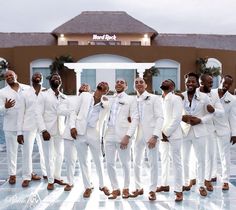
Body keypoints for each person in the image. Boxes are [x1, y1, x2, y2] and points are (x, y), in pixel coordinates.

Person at [67, 82, 111, 197]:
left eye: (105, 85)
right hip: (79, 133)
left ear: (106, 91)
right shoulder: (84, 96)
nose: (102, 84)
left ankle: (102, 185)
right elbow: (73, 112)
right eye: (101, 83)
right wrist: (72, 126)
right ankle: (88, 186)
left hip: (94, 134)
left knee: (98, 160)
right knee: (83, 161)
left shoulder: (106, 103)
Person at [104, 78, 139, 199]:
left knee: (125, 163)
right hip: (108, 134)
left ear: (126, 86)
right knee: (109, 163)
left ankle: (126, 188)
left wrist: (128, 136)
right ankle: (115, 189)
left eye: (122, 82)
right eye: (117, 82)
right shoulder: (109, 99)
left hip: (123, 135)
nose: (119, 83)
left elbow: (135, 118)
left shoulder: (131, 99)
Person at [181, 72, 214, 197]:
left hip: (200, 132)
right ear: (185, 82)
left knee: (201, 160)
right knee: (184, 159)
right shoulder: (180, 96)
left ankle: (200, 185)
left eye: (193, 81)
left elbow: (211, 113)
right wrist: (181, 117)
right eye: (188, 81)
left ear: (197, 83)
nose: (190, 83)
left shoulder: (204, 97)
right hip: (184, 131)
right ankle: (185, 182)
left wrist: (201, 120)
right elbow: (174, 113)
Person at [131, 77, 163, 201]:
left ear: (145, 85)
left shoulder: (154, 98)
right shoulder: (133, 100)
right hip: (138, 135)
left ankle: (152, 190)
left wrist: (155, 136)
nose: (138, 84)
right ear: (134, 86)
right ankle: (138, 187)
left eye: (141, 82)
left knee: (153, 163)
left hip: (151, 135)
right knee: (136, 162)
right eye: (136, 82)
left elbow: (160, 117)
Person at [35, 73, 66, 190]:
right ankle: (50, 180)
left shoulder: (63, 96)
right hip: (47, 131)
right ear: (50, 81)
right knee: (48, 156)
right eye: (54, 78)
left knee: (60, 154)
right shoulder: (43, 95)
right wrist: (43, 130)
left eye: (58, 78)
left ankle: (57, 176)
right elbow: (37, 113)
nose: (56, 79)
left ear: (61, 82)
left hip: (60, 130)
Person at [17, 72, 47, 187]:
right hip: (28, 126)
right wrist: (19, 132)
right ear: (31, 79)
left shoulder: (46, 92)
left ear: (42, 79)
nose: (37, 76)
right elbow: (20, 114)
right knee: (27, 152)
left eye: (40, 75)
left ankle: (46, 172)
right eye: (35, 75)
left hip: (43, 126)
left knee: (45, 150)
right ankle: (26, 176)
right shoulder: (24, 94)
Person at [0, 70, 29, 184]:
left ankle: (28, 173)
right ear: (5, 79)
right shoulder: (2, 92)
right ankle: (12, 174)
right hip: (10, 126)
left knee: (26, 151)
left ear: (16, 76)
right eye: (6, 76)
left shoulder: (27, 88)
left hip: (25, 125)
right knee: (12, 152)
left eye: (11, 75)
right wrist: (5, 107)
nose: (9, 77)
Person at [157, 79, 184, 202]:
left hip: (173, 135)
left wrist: (166, 133)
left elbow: (177, 117)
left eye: (168, 82)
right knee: (164, 160)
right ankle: (164, 184)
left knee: (176, 162)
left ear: (172, 87)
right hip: (161, 135)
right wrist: (159, 132)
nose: (165, 82)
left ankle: (178, 190)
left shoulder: (176, 99)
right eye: (164, 81)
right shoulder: (159, 99)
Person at [198, 74, 224, 191]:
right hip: (196, 128)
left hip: (209, 129)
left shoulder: (214, 94)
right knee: (197, 156)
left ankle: (207, 180)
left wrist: (214, 110)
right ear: (201, 83)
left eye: (212, 82)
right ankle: (195, 179)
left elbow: (221, 111)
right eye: (209, 83)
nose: (212, 85)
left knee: (210, 155)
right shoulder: (194, 92)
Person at [212, 75, 236, 190]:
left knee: (224, 155)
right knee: (210, 154)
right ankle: (212, 175)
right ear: (220, 80)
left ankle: (225, 180)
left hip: (224, 130)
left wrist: (234, 133)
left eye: (228, 84)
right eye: (224, 82)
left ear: (231, 85)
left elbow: (232, 117)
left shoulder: (232, 99)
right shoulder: (210, 93)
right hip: (210, 129)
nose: (225, 85)